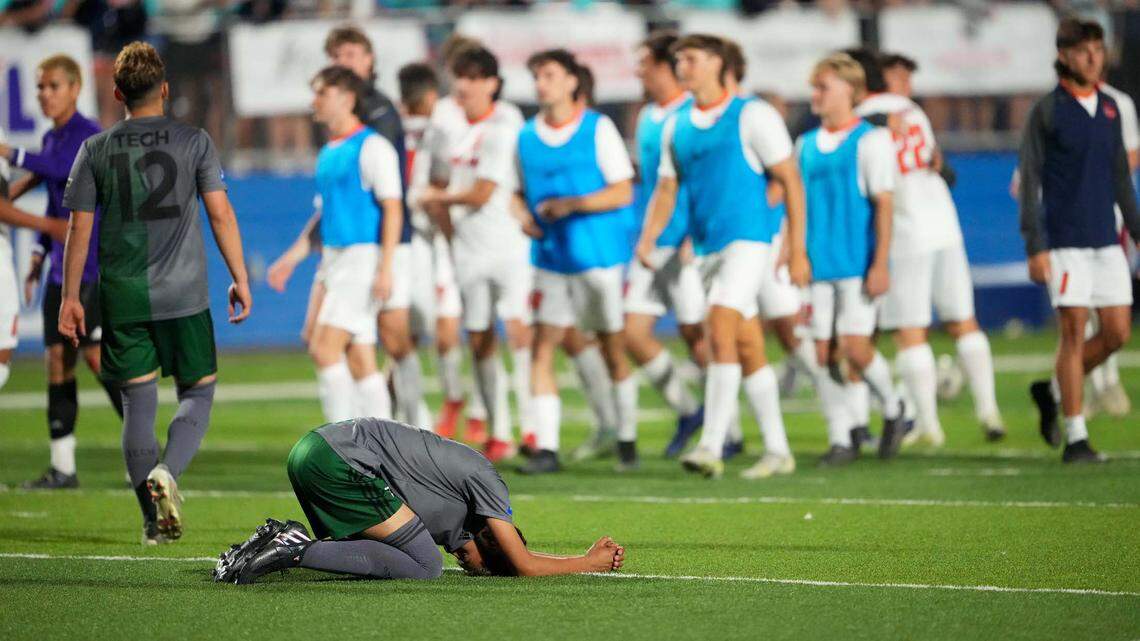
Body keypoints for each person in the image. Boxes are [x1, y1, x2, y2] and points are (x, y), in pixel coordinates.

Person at [59, 42, 252, 543]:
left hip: (122, 296)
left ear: (118, 92)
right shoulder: (195, 141)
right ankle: (169, 471)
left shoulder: (95, 149)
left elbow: (79, 231)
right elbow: (220, 213)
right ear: (164, 89)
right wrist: (240, 277)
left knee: (138, 406)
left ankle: (152, 520)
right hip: (184, 295)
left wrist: (71, 298)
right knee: (198, 392)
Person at [638, 35, 807, 479]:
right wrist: (649, 236)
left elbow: (790, 179)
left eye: (691, 58)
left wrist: (796, 247)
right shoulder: (678, 124)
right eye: (678, 60)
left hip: (749, 242)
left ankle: (712, 443)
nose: (682, 66)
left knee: (719, 326)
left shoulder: (752, 114)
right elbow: (667, 188)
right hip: (709, 247)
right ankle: (778, 450)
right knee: (749, 346)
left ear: (718, 63)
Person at [212, 418, 625, 583]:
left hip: (312, 450)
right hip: (341, 461)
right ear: (489, 536)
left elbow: (511, 555)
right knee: (427, 566)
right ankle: (295, 547)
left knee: (411, 554)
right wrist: (590, 561)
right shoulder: (489, 484)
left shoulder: (448, 517)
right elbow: (523, 562)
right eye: (485, 568)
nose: (473, 570)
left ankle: (264, 544)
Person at [269, 26, 426, 429]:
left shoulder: (374, 144)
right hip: (336, 258)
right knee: (359, 357)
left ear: (346, 97)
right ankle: (382, 441)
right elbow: (327, 213)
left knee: (325, 349)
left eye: (321, 93)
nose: (314, 101)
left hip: (362, 258)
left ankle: (343, 444)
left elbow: (393, 207)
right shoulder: (329, 152)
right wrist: (293, 256)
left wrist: (386, 266)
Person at [855, 52, 1005, 446]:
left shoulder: (861, 116)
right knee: (963, 321)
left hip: (905, 230)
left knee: (910, 332)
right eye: (901, 75)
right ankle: (988, 409)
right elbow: (936, 164)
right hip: (945, 226)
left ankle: (928, 425)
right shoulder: (913, 111)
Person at [0, 56, 124, 489]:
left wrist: (7, 153)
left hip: (91, 269)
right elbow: (55, 202)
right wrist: (35, 257)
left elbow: (56, 171)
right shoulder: (51, 138)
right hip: (59, 272)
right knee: (57, 361)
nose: (44, 94)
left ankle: (142, 455)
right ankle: (63, 467)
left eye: (52, 85)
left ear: (74, 89)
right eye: (40, 87)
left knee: (97, 360)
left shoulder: (88, 137)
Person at [1021, 18, 1140, 463]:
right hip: (1065, 240)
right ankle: (1075, 437)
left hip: (1106, 240)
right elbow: (1030, 181)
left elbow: (1121, 180)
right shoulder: (1046, 111)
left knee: (1116, 334)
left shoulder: (1111, 108)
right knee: (1072, 332)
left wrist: (1137, 231)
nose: (1094, 57)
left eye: (1098, 48)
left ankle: (1050, 391)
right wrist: (1035, 245)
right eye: (1085, 50)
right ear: (1065, 55)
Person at [515, 50, 636, 475]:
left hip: (597, 257)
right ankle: (547, 447)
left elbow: (623, 190)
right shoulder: (526, 136)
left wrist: (573, 204)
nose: (541, 83)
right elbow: (515, 191)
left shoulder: (597, 128)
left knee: (611, 348)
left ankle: (626, 437)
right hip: (550, 259)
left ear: (571, 82)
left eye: (549, 74)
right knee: (543, 346)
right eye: (537, 75)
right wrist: (521, 215)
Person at [417, 47, 530, 462]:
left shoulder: (507, 122)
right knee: (480, 338)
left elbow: (482, 193)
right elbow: (439, 188)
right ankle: (498, 429)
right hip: (469, 254)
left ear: (491, 83)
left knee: (521, 335)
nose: (461, 85)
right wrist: (451, 235)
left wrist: (439, 198)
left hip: (512, 246)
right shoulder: (448, 129)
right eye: (457, 76)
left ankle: (533, 428)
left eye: (470, 77)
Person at [796, 53, 908, 467]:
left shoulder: (870, 140)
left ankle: (895, 408)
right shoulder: (804, 145)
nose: (815, 95)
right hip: (816, 264)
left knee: (856, 348)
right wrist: (791, 253)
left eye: (823, 87)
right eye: (814, 87)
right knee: (821, 354)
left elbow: (884, 205)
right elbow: (798, 206)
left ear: (850, 90)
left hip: (856, 263)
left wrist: (880, 263)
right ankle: (841, 437)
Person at [623, 31, 707, 464]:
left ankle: (722, 431)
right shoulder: (647, 116)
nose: (637, 71)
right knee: (633, 334)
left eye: (642, 63)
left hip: (688, 242)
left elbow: (701, 180)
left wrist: (696, 231)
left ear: (662, 65)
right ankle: (690, 410)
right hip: (653, 240)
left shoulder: (693, 111)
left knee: (698, 334)